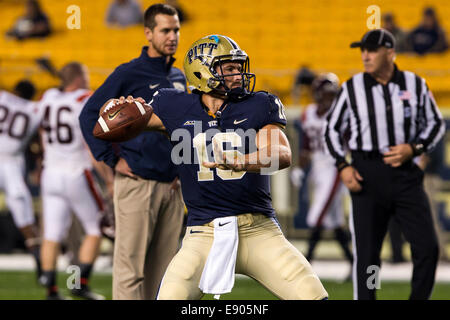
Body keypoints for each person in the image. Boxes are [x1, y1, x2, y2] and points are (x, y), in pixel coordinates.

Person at [99, 34, 328, 300]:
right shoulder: (172, 105)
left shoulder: (260, 104)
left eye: (239, 67)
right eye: (229, 68)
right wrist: (113, 110)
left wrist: (242, 161)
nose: (238, 74)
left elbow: (281, 153)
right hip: (202, 233)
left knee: (313, 296)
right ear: (202, 71)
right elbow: (119, 125)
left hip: (258, 229)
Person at [324, 28, 445, 300]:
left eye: (372, 50)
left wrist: (415, 148)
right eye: (363, 51)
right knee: (369, 257)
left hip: (405, 175)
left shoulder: (415, 84)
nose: (365, 56)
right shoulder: (352, 88)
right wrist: (343, 166)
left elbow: (435, 123)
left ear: (390, 52)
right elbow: (331, 130)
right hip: (367, 175)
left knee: (427, 248)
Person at [79, 3, 186, 300]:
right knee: (131, 271)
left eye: (176, 29)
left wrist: (183, 169)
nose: (172, 36)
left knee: (164, 274)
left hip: (172, 186)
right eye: (165, 30)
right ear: (148, 33)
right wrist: (112, 159)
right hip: (137, 182)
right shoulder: (128, 73)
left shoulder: (179, 76)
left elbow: (183, 127)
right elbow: (88, 115)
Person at [38, 62, 110, 300]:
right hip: (76, 172)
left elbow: (41, 130)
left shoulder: (48, 97)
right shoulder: (84, 99)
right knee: (95, 227)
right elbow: (91, 144)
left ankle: (51, 292)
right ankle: (80, 285)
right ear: (78, 78)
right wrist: (108, 179)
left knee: (52, 234)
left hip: (50, 173)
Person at [290, 73, 353, 274]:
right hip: (318, 168)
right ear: (317, 94)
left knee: (317, 216)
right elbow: (307, 147)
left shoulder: (340, 115)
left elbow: (351, 143)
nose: (330, 100)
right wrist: (299, 168)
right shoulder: (308, 113)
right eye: (326, 95)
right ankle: (354, 263)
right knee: (334, 222)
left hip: (335, 166)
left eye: (332, 96)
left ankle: (306, 264)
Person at [0, 80, 42, 281]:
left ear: (15, 90)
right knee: (24, 214)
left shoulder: (3, 96)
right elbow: (38, 138)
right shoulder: (35, 109)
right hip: (11, 164)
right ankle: (40, 264)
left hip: (8, 159)